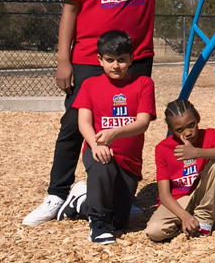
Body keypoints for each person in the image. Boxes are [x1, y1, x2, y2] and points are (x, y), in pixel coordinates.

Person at [24, 0, 215, 227]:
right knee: (75, 124)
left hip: (137, 60)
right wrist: (63, 59)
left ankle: (121, 196)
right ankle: (56, 194)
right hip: (89, 57)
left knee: (130, 131)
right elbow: (70, 11)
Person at [51, 31, 156, 245]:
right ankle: (98, 225)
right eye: (109, 60)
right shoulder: (90, 85)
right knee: (102, 163)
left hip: (129, 159)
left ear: (131, 58)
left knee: (121, 221)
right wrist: (95, 144)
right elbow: (83, 122)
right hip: (98, 149)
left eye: (121, 60)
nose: (115, 65)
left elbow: (143, 122)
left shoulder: (144, 83)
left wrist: (114, 133)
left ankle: (81, 200)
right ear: (100, 60)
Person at [146, 99, 215, 242]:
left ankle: (204, 218)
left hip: (202, 193)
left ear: (198, 118)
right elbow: (164, 194)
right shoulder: (162, 149)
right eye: (179, 130)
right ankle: (188, 221)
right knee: (155, 231)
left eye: (191, 125)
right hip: (179, 200)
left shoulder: (210, 135)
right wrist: (184, 216)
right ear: (170, 129)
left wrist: (197, 153)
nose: (187, 133)